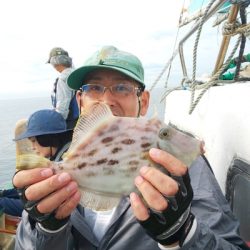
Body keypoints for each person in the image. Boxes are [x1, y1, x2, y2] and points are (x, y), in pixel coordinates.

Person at [13, 46, 249, 250]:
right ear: (80, 101)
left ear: (143, 101)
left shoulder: (184, 167)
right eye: (94, 88)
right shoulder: (55, 173)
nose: (106, 101)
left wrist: (183, 233)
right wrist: (45, 229)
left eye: (122, 88)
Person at [0, 110, 73, 218]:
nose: (33, 147)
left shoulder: (64, 164)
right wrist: (4, 193)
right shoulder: (62, 154)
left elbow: (36, 206)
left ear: (47, 139)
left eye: (34, 141)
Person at [47, 47, 79, 129]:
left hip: (71, 123)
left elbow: (63, 105)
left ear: (55, 62)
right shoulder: (77, 74)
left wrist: (57, 123)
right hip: (82, 120)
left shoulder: (63, 79)